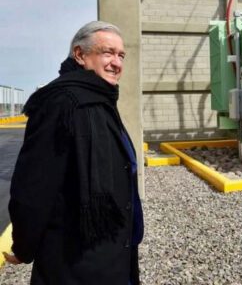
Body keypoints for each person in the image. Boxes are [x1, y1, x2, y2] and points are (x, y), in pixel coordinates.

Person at [3, 21, 144, 284]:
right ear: (80, 55)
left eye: (121, 55)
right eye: (108, 53)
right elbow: (33, 186)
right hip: (74, 263)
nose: (117, 63)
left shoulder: (101, 98)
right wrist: (24, 245)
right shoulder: (62, 103)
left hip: (113, 254)